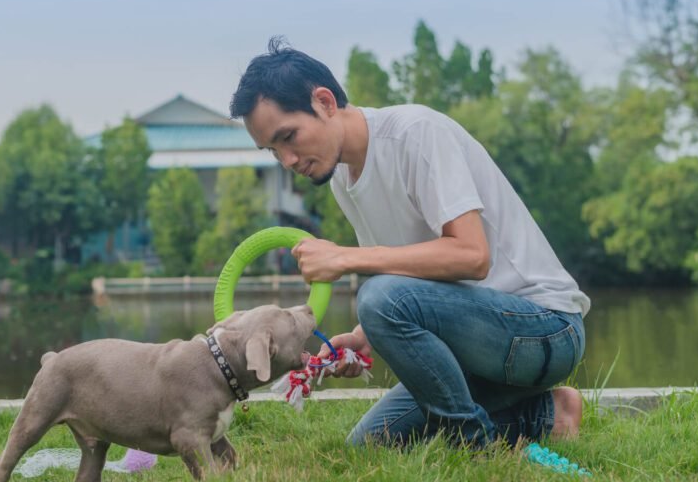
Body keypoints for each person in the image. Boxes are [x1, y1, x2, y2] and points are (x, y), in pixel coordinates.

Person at [229, 39, 589, 448]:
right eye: (274, 151)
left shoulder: (416, 133)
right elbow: (405, 273)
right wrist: (364, 336)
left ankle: (473, 444)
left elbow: (472, 257)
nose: (288, 160)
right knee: (368, 445)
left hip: (545, 331)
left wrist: (348, 259)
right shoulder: (344, 178)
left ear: (325, 102)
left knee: (377, 294)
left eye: (288, 136)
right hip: (477, 343)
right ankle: (548, 413)